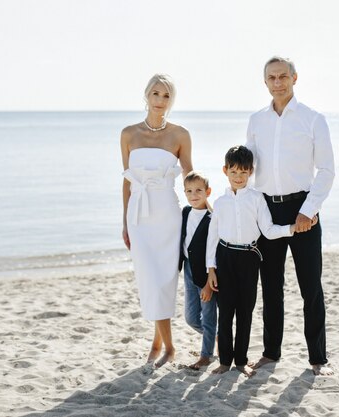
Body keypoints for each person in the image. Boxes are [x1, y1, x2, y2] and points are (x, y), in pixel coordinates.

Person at [245, 56, 335, 376]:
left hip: (304, 210)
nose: (278, 82)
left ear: (295, 78)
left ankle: (318, 360)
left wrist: (308, 211)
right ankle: (271, 353)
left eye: (284, 76)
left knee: (310, 287)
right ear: (265, 82)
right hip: (267, 211)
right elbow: (248, 167)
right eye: (272, 77)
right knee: (270, 286)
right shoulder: (256, 121)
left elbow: (326, 170)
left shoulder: (312, 119)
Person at [207, 146, 299, 377]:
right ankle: (225, 361)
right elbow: (212, 237)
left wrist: (291, 228)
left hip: (249, 258)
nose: (238, 177)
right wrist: (211, 269)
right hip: (225, 257)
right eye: (234, 172)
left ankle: (241, 361)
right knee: (225, 312)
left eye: (243, 173)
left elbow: (267, 230)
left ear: (251, 172)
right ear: (225, 171)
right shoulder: (219, 203)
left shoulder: (257, 199)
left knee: (245, 311)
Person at [121, 73, 193, 368]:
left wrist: (207, 205)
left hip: (167, 213)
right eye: (156, 94)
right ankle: (166, 345)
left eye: (166, 96)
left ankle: (161, 344)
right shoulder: (128, 134)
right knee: (149, 278)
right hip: (138, 216)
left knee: (164, 280)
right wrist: (124, 221)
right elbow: (126, 181)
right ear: (146, 96)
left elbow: (189, 174)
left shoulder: (179, 134)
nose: (160, 101)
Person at [178, 171, 216, 371]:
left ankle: (206, 356)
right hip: (188, 270)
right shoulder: (185, 212)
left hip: (206, 274)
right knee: (191, 318)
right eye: (189, 191)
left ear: (207, 192)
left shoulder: (212, 219)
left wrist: (209, 283)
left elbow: (213, 251)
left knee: (208, 317)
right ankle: (217, 338)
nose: (194, 195)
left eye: (199, 191)